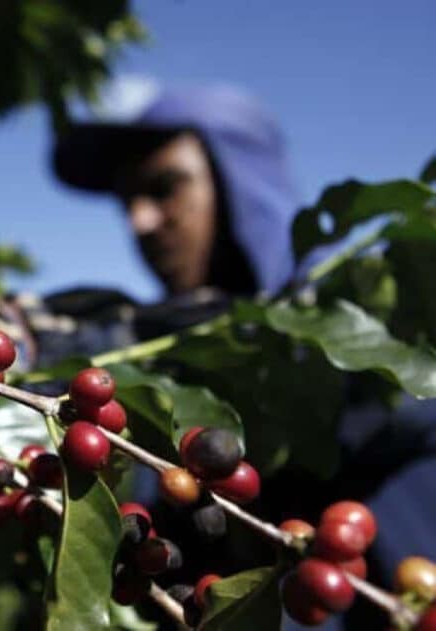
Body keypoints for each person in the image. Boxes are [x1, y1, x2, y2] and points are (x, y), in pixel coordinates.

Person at [42, 81, 436, 630]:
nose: (140, 221)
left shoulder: (364, 314)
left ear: (239, 183)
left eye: (164, 187)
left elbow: (391, 410)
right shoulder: (151, 350)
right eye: (127, 201)